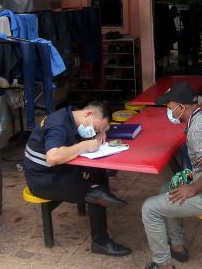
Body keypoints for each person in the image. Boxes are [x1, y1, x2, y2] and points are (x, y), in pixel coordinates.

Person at [128, 82, 202, 269]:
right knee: (166, 189)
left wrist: (193, 188)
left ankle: (163, 268)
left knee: (150, 208)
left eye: (170, 108)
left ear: (182, 107)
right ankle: (177, 248)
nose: (168, 112)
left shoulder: (196, 131)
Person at [22, 101, 131, 257]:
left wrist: (100, 132)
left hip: (59, 171)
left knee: (98, 173)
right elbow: (53, 157)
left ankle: (105, 197)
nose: (95, 132)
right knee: (96, 193)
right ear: (88, 114)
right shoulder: (58, 125)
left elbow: (89, 133)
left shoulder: (72, 114)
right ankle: (100, 242)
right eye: (96, 128)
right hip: (43, 180)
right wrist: (85, 145)